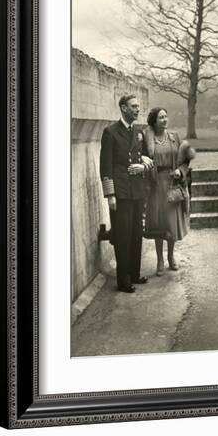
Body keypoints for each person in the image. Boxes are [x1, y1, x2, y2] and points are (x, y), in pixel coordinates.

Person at [99, 94, 153, 293]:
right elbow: (105, 166)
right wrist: (110, 195)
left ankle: (135, 274)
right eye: (133, 106)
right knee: (122, 236)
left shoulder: (138, 132)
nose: (138, 110)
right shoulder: (110, 132)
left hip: (137, 190)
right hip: (120, 192)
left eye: (138, 106)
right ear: (123, 108)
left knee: (136, 233)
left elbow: (146, 156)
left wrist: (143, 166)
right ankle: (123, 281)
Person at [143, 107, 194, 276]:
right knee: (159, 223)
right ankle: (159, 260)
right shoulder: (147, 139)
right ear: (154, 121)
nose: (165, 120)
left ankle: (171, 257)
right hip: (156, 186)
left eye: (166, 116)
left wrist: (180, 170)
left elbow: (186, 161)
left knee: (171, 223)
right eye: (161, 117)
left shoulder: (174, 137)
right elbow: (142, 160)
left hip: (172, 184)